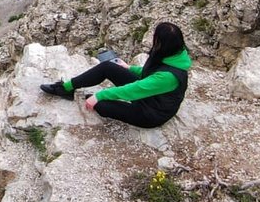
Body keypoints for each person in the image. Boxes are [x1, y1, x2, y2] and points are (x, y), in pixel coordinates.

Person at [39, 22, 191, 128]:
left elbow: (135, 89)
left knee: (100, 104)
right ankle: (66, 87)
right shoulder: (173, 53)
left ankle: (96, 98)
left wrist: (100, 96)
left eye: (157, 40)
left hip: (152, 113)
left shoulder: (169, 77)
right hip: (152, 96)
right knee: (107, 67)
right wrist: (130, 68)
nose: (154, 42)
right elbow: (152, 74)